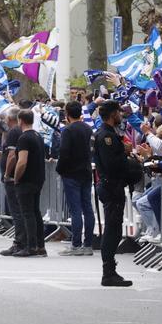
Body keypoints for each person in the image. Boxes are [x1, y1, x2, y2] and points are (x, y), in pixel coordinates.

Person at [93, 100, 134, 287]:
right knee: (112, 230)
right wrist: (124, 153)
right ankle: (108, 272)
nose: (120, 115)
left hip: (111, 185)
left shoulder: (107, 133)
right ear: (112, 114)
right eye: (118, 112)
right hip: (111, 186)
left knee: (114, 229)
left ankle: (110, 270)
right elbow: (112, 164)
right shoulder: (106, 136)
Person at [56, 100, 96, 255]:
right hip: (86, 170)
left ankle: (76, 244)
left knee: (75, 209)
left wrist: (60, 169)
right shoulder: (88, 128)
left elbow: (64, 151)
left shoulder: (68, 130)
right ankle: (88, 244)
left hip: (71, 172)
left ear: (67, 114)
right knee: (87, 208)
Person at [11, 109, 47, 257]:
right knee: (35, 212)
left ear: (20, 120)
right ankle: (40, 246)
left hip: (26, 179)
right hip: (38, 178)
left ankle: (30, 246)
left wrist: (16, 177)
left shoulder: (24, 138)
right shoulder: (38, 136)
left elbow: (22, 161)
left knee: (27, 213)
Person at [0, 108, 26, 256]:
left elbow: (12, 155)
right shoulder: (16, 131)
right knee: (19, 210)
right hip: (16, 176)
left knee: (17, 211)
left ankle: (20, 242)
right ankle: (24, 241)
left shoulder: (14, 131)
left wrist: (7, 174)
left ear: (10, 119)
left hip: (13, 177)